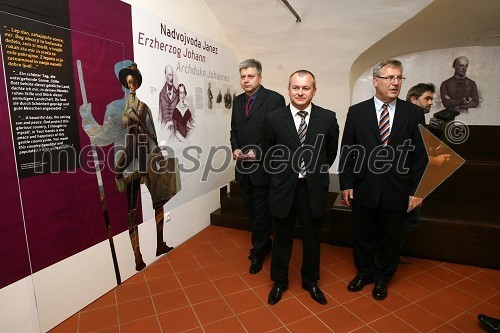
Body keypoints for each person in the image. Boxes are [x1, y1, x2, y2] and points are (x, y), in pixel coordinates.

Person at [339, 59, 427, 301]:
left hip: (397, 189)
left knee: (391, 238)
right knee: (362, 235)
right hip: (363, 187)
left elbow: (420, 155)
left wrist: (417, 190)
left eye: (399, 77)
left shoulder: (414, 113)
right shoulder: (357, 112)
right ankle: (364, 274)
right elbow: (348, 149)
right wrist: (346, 184)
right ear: (375, 81)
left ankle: (382, 278)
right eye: (389, 77)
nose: (395, 82)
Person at [265, 70, 339, 305]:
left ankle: (311, 281)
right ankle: (279, 281)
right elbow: (269, 153)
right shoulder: (274, 118)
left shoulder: (327, 118)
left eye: (305, 88)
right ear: (288, 89)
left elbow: (330, 152)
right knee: (282, 239)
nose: (300, 92)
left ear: (314, 91)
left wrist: (314, 169)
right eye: (295, 87)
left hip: (313, 187)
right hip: (283, 188)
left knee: (312, 238)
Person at [115, 63, 173, 271]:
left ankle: (159, 244)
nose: (131, 85)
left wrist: (157, 159)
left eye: (133, 82)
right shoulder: (118, 109)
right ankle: (137, 256)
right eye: (128, 82)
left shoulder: (144, 108)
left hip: (146, 159)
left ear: (137, 83)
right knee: (132, 210)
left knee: (159, 201)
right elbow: (118, 136)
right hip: (129, 164)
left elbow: (152, 136)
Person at [230, 59, 285, 274]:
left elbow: (278, 135)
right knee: (251, 212)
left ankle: (259, 251)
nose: (246, 80)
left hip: (263, 168)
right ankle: (264, 242)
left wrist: (259, 152)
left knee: (262, 212)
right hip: (243, 168)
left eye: (250, 76)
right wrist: (235, 148)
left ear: (260, 78)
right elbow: (234, 130)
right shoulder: (237, 101)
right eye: (243, 76)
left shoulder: (275, 100)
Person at [400, 83, 451, 264]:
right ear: (413, 99)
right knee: (407, 220)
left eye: (431, 98)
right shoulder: (407, 120)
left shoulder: (417, 119)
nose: (430, 102)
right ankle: (387, 252)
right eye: (426, 98)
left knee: (409, 219)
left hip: (414, 181)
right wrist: (433, 160)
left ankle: (389, 252)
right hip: (404, 181)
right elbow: (408, 154)